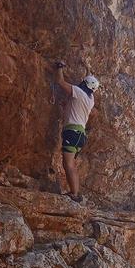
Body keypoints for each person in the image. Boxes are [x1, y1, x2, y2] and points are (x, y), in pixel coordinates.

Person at [51, 61, 99, 202]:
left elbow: (60, 81)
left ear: (84, 84)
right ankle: (75, 193)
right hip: (80, 134)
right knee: (71, 164)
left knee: (68, 164)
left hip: (72, 132)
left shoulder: (78, 92)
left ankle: (75, 194)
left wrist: (59, 67)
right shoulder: (90, 99)